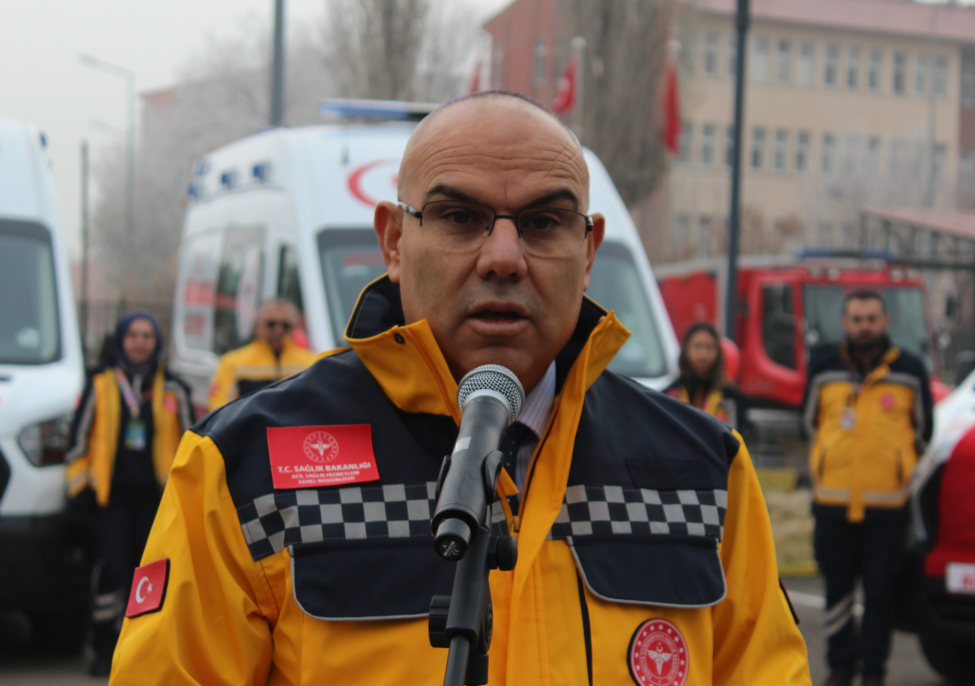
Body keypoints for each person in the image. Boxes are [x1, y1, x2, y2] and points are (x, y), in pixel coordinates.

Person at [110, 91, 809, 685]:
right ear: (392, 241)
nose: (503, 258)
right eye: (459, 217)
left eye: (542, 222)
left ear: (589, 251)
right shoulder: (242, 469)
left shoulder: (704, 472)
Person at [803, 289, 934, 686]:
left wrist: (898, 470)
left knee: (880, 592)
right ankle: (840, 667)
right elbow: (809, 422)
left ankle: (874, 670)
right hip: (833, 502)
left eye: (872, 319)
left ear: (885, 322)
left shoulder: (910, 369)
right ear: (845, 323)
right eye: (857, 319)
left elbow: (924, 430)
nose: (864, 327)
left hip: (886, 506)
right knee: (837, 590)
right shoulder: (824, 367)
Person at [65, 309, 193, 676]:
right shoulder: (101, 385)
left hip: (159, 501)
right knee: (114, 572)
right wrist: (80, 490)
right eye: (133, 335)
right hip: (112, 500)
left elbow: (192, 444)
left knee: (151, 575)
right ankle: (105, 647)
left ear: (157, 343)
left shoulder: (173, 389)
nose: (140, 342)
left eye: (147, 336)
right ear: (120, 340)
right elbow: (76, 446)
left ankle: (148, 649)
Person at [206, 299, 316, 410]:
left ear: (295, 327)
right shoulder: (233, 362)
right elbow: (218, 404)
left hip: (293, 427)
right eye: (271, 324)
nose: (278, 330)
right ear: (258, 325)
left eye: (286, 325)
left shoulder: (310, 362)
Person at [666, 321, 744, 431]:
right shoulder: (671, 394)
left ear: (718, 353)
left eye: (709, 347)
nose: (703, 354)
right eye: (697, 347)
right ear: (686, 351)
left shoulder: (731, 397)